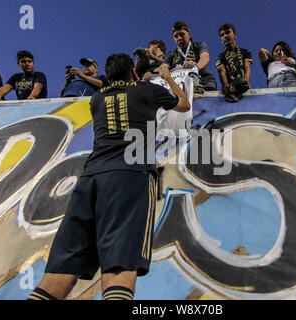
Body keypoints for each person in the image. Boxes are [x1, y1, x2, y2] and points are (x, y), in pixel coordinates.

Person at [27, 53, 190, 301]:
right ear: (133, 73)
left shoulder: (97, 98)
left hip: (90, 178)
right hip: (129, 177)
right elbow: (184, 104)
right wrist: (166, 77)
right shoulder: (146, 89)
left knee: (60, 271)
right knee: (119, 265)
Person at [162, 21, 217, 94]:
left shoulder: (199, 45)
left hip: (205, 81)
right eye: (176, 36)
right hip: (181, 85)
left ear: (189, 35)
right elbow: (164, 68)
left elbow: (205, 58)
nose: (179, 38)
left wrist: (195, 67)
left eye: (182, 34)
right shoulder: (171, 54)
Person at [215, 23, 252, 102]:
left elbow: (247, 68)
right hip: (230, 88)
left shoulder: (245, 52)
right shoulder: (220, 56)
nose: (225, 36)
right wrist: (225, 84)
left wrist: (246, 83)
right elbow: (222, 71)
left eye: (227, 32)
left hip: (243, 84)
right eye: (222, 35)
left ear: (235, 35)